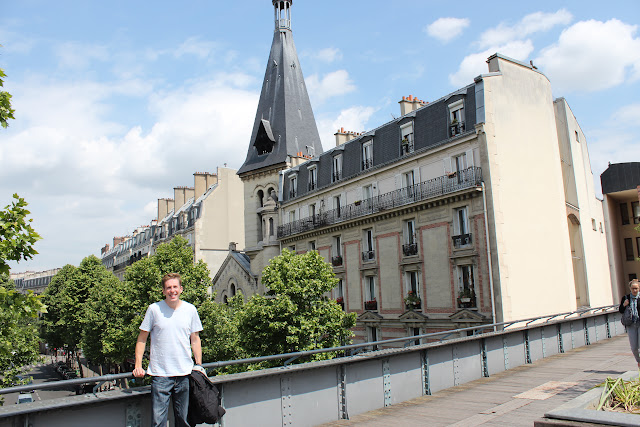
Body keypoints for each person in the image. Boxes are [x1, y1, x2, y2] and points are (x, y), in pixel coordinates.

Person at [133, 273, 203, 427]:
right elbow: (142, 339)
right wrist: (138, 365)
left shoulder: (190, 310)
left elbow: (195, 339)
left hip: (184, 374)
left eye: (175, 287)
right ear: (163, 291)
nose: (172, 291)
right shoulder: (154, 309)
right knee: (158, 422)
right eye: (169, 288)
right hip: (160, 375)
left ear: (181, 289)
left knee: (184, 421)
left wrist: (199, 365)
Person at [620, 279, 640, 368]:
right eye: (633, 288)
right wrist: (624, 305)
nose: (634, 290)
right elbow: (620, 310)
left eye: (636, 288)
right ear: (630, 288)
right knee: (634, 347)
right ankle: (638, 361)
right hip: (631, 324)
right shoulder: (625, 298)